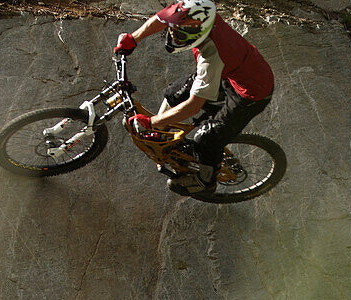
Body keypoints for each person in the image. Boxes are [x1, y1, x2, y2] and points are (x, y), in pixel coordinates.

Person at [113, 0, 274, 195]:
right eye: (174, 30)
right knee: (174, 93)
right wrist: (134, 38)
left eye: (179, 34)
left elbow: (192, 107)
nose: (172, 34)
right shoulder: (196, 11)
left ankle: (205, 181)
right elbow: (163, 18)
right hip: (232, 73)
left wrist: (151, 121)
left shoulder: (211, 56)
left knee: (206, 138)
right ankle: (161, 134)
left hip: (251, 93)